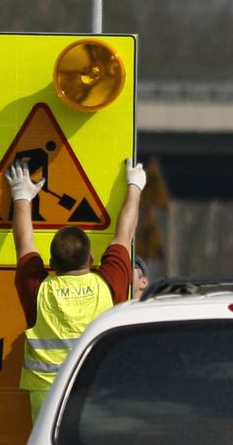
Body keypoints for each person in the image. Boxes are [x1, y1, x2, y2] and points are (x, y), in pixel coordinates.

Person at [8, 156, 143, 419]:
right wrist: (134, 186)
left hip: (46, 397)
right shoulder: (109, 282)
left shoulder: (38, 289)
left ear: (50, 263)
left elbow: (24, 242)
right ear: (91, 260)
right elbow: (124, 235)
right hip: (96, 390)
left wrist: (21, 194)